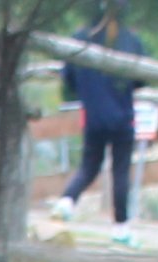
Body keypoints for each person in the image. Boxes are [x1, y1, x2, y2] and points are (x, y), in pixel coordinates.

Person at [57, 5, 147, 234]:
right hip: (122, 117)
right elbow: (141, 80)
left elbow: (68, 79)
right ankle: (120, 227)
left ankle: (67, 201)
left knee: (89, 166)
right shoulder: (130, 41)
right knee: (120, 171)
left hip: (94, 117)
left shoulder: (80, 39)